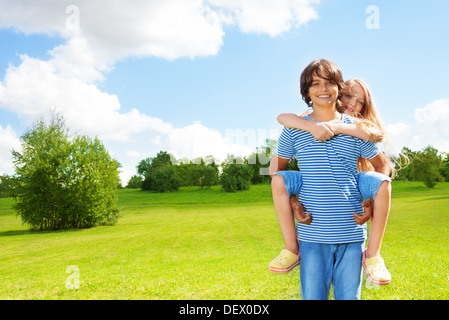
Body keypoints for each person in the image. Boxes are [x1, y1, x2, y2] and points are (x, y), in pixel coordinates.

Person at [269, 59, 391, 299]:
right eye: (315, 84)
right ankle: (290, 249)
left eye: (329, 83)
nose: (323, 89)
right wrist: (294, 202)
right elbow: (278, 172)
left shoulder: (355, 128)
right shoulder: (295, 128)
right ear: (306, 91)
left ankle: (374, 256)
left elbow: (381, 167)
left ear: (339, 88)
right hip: (312, 236)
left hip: (351, 235)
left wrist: (370, 201)